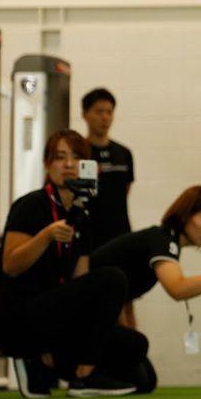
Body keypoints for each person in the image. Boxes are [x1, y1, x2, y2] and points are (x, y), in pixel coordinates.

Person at [0, 129, 149, 399]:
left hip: (53, 318)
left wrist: (91, 331)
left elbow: (81, 283)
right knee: (113, 278)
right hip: (18, 320)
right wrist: (46, 235)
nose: (69, 164)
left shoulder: (80, 216)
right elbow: (11, 266)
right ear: (47, 164)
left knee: (136, 350)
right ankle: (83, 377)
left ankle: (48, 365)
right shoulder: (31, 205)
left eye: (76, 158)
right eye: (60, 157)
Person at [90, 185, 201, 317]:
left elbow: (118, 299)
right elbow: (178, 289)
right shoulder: (161, 239)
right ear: (186, 214)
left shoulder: (166, 241)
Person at [82, 87, 138, 327]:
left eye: (109, 111)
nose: (105, 117)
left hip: (120, 235)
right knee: (94, 302)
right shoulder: (79, 154)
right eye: (99, 111)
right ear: (85, 114)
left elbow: (125, 191)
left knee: (126, 300)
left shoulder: (124, 154)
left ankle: (131, 347)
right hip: (91, 239)